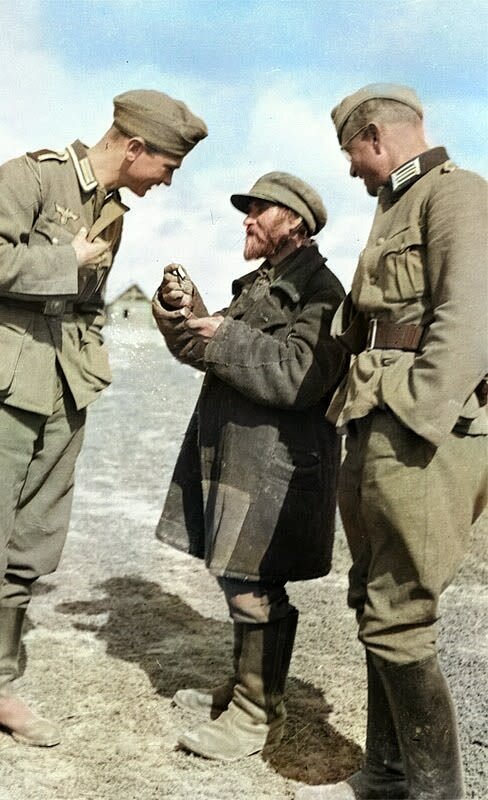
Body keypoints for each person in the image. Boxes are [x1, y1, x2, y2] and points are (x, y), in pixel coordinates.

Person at [0, 89, 207, 781]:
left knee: (31, 549)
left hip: (64, 385)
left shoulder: (112, 209)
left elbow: (86, 304)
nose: (167, 181)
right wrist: (62, 260)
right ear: (136, 147)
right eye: (167, 166)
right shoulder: (32, 177)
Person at [295, 84, 488, 800]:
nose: (351, 169)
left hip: (417, 429)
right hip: (373, 417)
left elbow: (469, 319)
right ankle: (386, 776)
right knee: (375, 601)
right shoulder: (393, 204)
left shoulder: (456, 193)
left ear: (375, 136)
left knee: (401, 614)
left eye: (352, 152)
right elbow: (364, 324)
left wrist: (416, 416)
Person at [152, 172, 346, 762]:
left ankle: (258, 714)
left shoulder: (322, 293)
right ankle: (246, 691)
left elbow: (296, 375)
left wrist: (223, 333)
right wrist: (183, 310)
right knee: (237, 574)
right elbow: (206, 348)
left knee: (253, 582)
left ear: (294, 223)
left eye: (260, 210)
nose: (247, 219)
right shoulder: (266, 283)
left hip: (276, 466)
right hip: (242, 457)